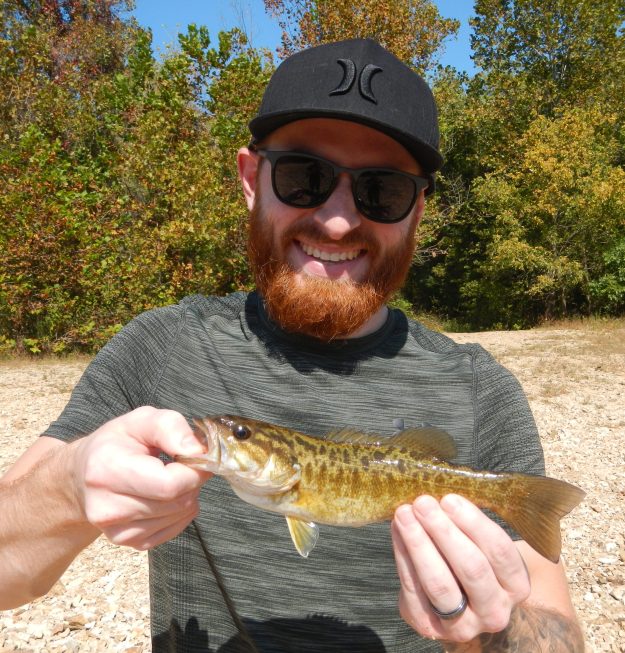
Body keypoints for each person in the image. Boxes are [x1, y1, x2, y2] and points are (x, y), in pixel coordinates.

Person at [0, 38, 584, 652]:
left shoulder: (482, 391)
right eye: (304, 177)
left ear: (416, 211)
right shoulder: (162, 347)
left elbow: (558, 632)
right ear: (251, 179)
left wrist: (486, 632)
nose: (337, 221)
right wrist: (68, 486)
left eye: (382, 191)